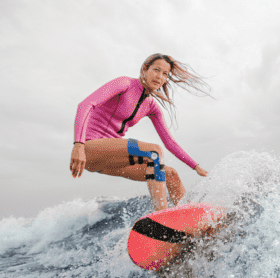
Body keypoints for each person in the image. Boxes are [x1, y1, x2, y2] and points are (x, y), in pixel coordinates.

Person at [70, 54, 210, 211]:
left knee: (170, 174)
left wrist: (196, 167)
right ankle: (161, 215)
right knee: (154, 151)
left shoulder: (152, 107)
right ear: (145, 69)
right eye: (156, 70)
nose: (160, 76)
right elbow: (85, 105)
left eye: (165, 74)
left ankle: (188, 217)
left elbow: (169, 142)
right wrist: (79, 145)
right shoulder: (125, 83)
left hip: (112, 161)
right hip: (89, 149)